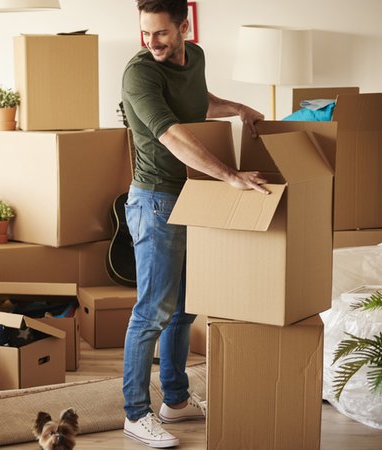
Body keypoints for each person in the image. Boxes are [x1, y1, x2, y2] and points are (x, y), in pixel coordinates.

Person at [119, 0, 269, 448]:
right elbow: (172, 132)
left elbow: (198, 103)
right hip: (156, 201)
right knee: (152, 312)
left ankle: (176, 400)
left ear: (184, 28)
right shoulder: (140, 73)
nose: (152, 42)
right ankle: (135, 413)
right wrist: (230, 176)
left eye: (161, 33)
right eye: (146, 33)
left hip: (191, 195)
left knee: (184, 309)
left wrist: (237, 108)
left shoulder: (196, 57)